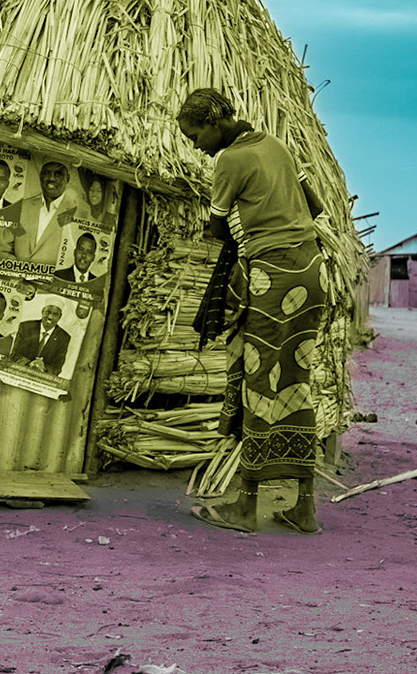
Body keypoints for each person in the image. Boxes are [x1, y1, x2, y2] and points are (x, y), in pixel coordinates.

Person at [177, 86, 327, 536]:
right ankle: (303, 509)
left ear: (215, 123)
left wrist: (251, 229)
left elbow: (217, 227)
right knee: (295, 383)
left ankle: (246, 505)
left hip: (273, 276)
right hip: (311, 271)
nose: (196, 146)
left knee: (259, 383)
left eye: (195, 135)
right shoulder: (276, 144)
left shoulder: (229, 160)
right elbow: (316, 206)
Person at [16, 161, 79, 265]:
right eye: (47, 173)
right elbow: (4, 247)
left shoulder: (76, 212)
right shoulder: (23, 207)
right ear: (40, 176)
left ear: (67, 178)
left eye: (58, 174)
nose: (51, 178)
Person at [12, 302, 73, 376]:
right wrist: (30, 363)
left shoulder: (63, 338)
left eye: (55, 314)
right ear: (42, 312)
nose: (50, 317)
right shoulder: (26, 327)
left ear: (60, 317)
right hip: (19, 372)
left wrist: (43, 367)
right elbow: (14, 355)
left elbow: (57, 368)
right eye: (48, 312)